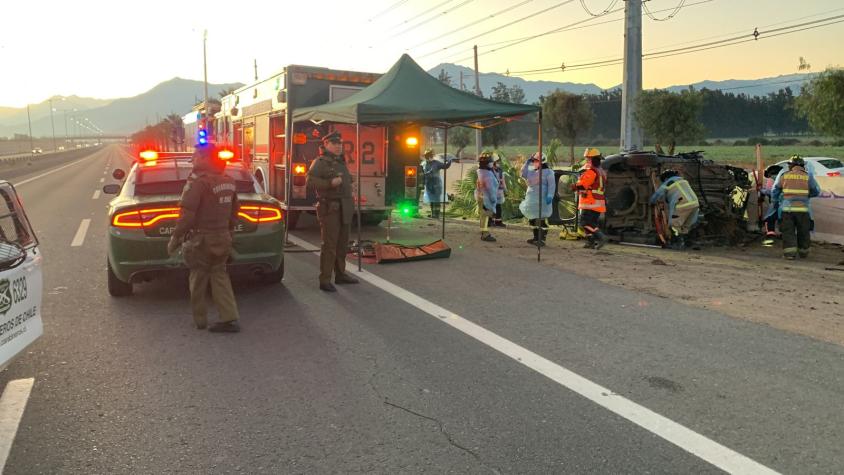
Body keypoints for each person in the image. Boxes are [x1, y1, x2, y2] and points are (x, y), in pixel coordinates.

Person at [167, 145, 241, 332]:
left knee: (198, 278)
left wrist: (175, 238)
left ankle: (200, 320)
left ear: (204, 158)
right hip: (223, 239)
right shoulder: (229, 181)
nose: (193, 160)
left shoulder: (198, 184)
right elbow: (234, 212)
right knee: (220, 275)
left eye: (195, 156)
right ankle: (229, 317)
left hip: (201, 241)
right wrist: (228, 233)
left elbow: (187, 214)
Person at [306, 131, 360, 291]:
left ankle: (341, 274)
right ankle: (325, 280)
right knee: (329, 245)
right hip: (330, 208)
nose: (338, 146)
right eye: (335, 144)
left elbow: (341, 179)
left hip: (345, 208)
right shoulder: (320, 162)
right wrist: (330, 183)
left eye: (340, 144)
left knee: (342, 244)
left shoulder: (340, 162)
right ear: (326, 145)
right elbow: (309, 182)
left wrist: (349, 179)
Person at [772, 155, 820, 259]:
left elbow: (775, 190)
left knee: (788, 232)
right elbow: (816, 191)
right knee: (803, 232)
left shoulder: (785, 176)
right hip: (803, 210)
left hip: (787, 210)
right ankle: (803, 253)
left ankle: (789, 254)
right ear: (802, 165)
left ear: (791, 165)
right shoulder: (808, 176)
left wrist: (775, 200)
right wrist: (807, 196)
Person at [649, 169, 700, 250]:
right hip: (695, 204)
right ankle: (686, 243)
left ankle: (677, 244)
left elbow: (657, 195)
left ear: (665, 178)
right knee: (685, 226)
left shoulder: (668, 183)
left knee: (674, 225)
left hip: (682, 205)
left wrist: (651, 202)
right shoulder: (683, 181)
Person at [573, 148, 608, 249]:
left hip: (590, 202)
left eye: (588, 159)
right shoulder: (601, 171)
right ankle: (590, 242)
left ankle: (601, 237)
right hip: (598, 202)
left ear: (593, 160)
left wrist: (575, 186)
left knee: (584, 222)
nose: (587, 161)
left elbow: (583, 185)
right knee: (591, 223)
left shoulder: (591, 172)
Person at [520, 152, 555, 246]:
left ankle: (542, 239)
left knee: (541, 219)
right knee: (532, 219)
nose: (534, 162)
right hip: (531, 199)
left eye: (536, 161)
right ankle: (536, 238)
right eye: (533, 161)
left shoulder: (549, 172)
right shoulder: (532, 172)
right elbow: (523, 174)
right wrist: (527, 163)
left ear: (542, 162)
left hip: (543, 199)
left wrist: (550, 195)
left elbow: (552, 185)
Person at [421, 149, 453, 219]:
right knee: (431, 200)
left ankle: (436, 215)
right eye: (427, 156)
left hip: (436, 184)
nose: (428, 157)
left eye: (430, 155)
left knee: (436, 200)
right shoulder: (423, 164)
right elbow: (422, 174)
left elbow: (445, 166)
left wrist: (449, 161)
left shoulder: (436, 163)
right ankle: (433, 214)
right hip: (429, 184)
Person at [475, 151, 499, 242]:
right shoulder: (487, 174)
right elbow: (490, 188)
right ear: (487, 163)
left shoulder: (481, 172)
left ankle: (484, 232)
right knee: (485, 216)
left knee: (483, 216)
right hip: (486, 198)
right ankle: (485, 234)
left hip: (481, 197)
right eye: (491, 162)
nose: (492, 163)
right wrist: (493, 199)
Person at [759, 164, 782, 247]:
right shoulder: (783, 177)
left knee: (769, 219)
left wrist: (761, 190)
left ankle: (770, 237)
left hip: (776, 203)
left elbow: (770, 191)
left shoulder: (771, 179)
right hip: (786, 203)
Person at [491, 155, 507, 227]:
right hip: (492, 191)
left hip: (498, 191)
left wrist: (505, 190)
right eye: (497, 161)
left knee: (498, 207)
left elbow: (502, 180)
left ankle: (498, 222)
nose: (498, 163)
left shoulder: (500, 170)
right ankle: (490, 221)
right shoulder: (489, 170)